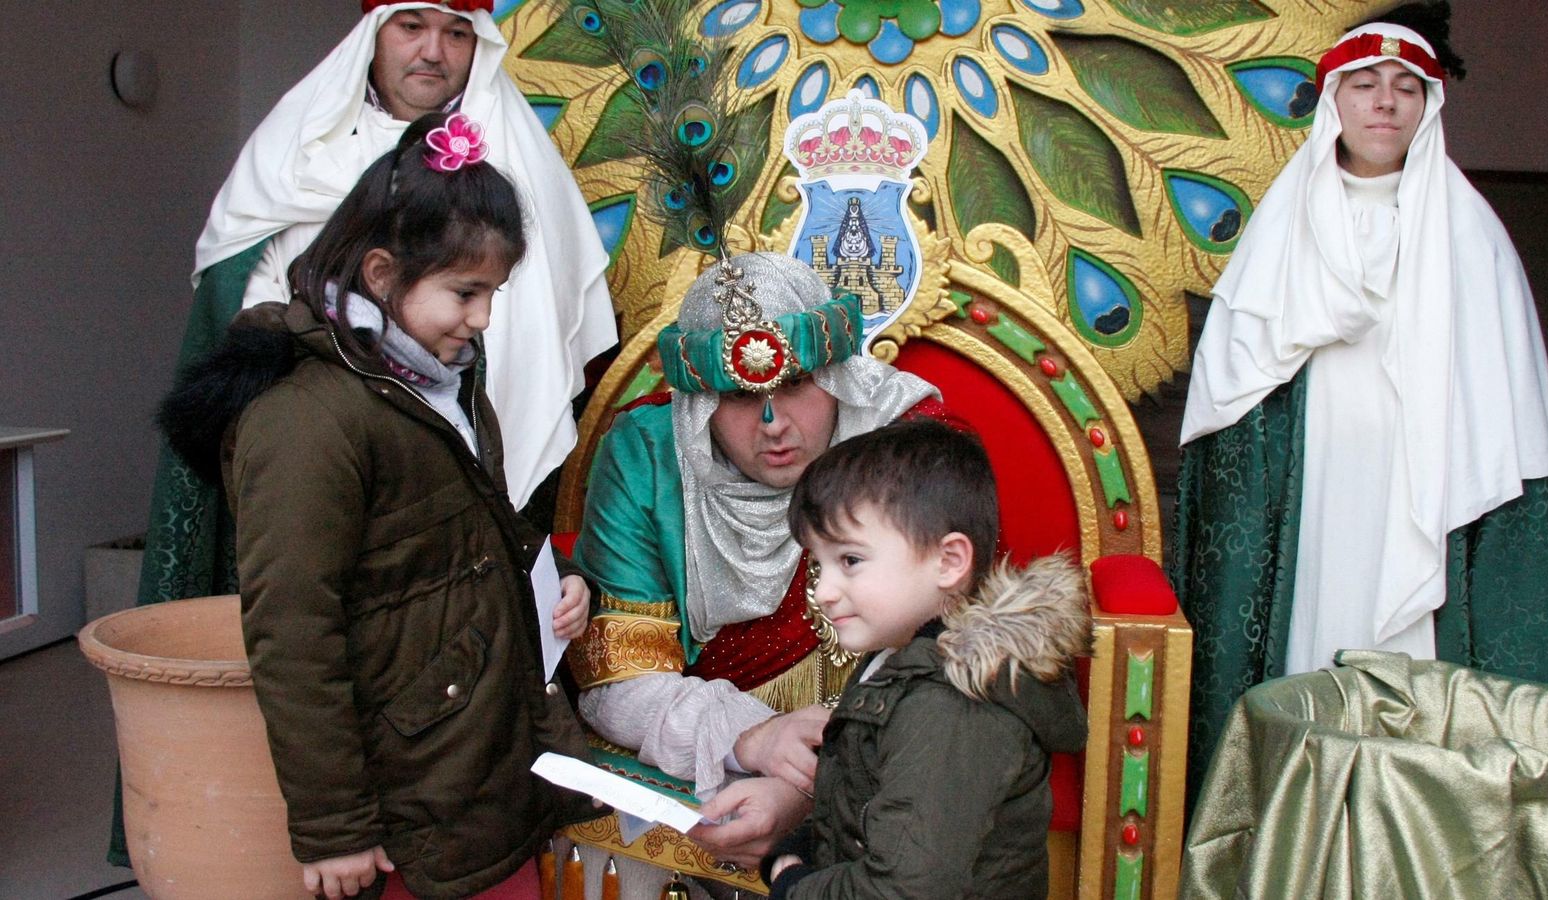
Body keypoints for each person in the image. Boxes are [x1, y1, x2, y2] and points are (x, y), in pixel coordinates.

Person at [158, 113, 600, 899]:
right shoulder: (305, 419)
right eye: (466, 292)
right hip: (408, 797)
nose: (484, 319)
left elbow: (473, 524)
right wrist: (335, 829)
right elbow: (293, 632)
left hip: (470, 758)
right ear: (380, 273)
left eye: (494, 292)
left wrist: (554, 575)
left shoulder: (436, 373)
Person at [1172, 13, 1548, 797]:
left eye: (1406, 88)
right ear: (1334, 102)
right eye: (1365, 85)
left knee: (1411, 664)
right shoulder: (1281, 231)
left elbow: (1507, 408)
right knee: (1313, 648)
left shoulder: (1473, 237)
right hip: (1317, 494)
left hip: (1425, 494)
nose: (1385, 104)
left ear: (1428, 106)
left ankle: (1408, 829)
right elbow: (1235, 387)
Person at [138, 0, 615, 613]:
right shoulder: (297, 149)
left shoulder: (517, 157)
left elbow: (552, 324)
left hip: (472, 435)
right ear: (375, 34)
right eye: (412, 27)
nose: (434, 51)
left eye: (457, 33)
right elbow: (249, 297)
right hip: (327, 449)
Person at [565, 251, 951, 896]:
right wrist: (751, 738)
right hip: (714, 768)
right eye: (741, 396)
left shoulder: (915, 449)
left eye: (796, 385)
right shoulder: (649, 453)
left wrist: (814, 792)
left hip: (896, 774)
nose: (774, 427)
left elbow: (963, 677)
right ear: (698, 404)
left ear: (837, 374)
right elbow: (616, 682)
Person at [758, 419, 1089, 899]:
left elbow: (906, 890)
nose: (823, 592)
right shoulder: (903, 659)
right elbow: (873, 816)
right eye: (817, 564)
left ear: (948, 561)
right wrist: (799, 848)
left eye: (850, 560)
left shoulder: (956, 704)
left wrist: (792, 884)